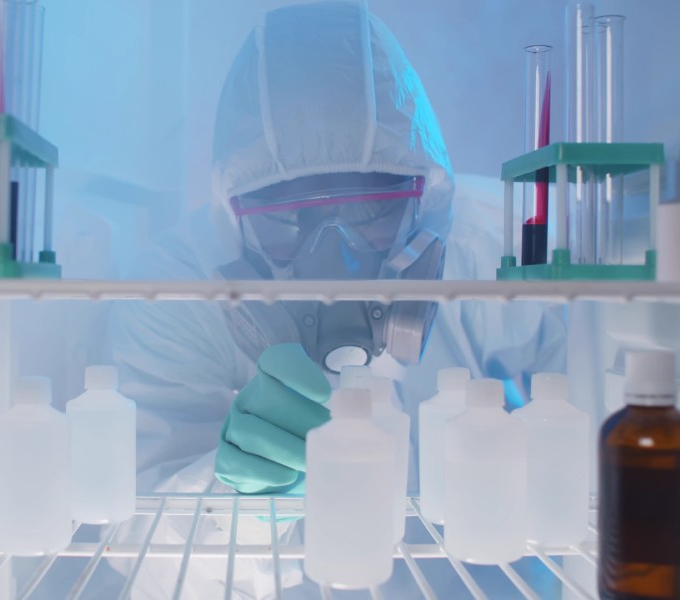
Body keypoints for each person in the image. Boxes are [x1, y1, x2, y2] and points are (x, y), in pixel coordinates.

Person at [103, 2, 566, 596]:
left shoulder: (501, 250)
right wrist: (233, 501)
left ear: (425, 199)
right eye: (287, 218)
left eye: (372, 209)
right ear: (234, 217)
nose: (333, 255)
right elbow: (134, 551)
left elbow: (596, 427)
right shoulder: (175, 287)